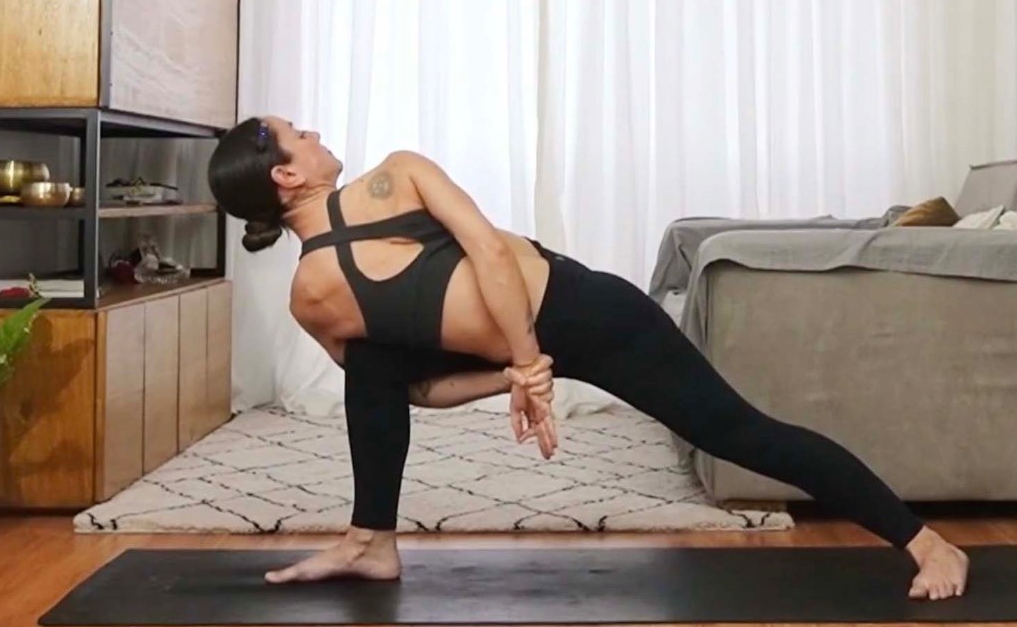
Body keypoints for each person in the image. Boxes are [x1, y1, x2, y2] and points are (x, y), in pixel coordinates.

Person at [207, 116, 970, 600]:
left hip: (594, 314)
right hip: (541, 340)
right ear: (285, 174)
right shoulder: (356, 226)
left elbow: (491, 260)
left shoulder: (329, 267)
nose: (311, 130)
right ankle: (370, 540)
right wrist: (519, 371)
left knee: (738, 432)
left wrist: (530, 361)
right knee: (371, 370)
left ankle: (928, 541)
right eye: (295, 133)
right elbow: (412, 389)